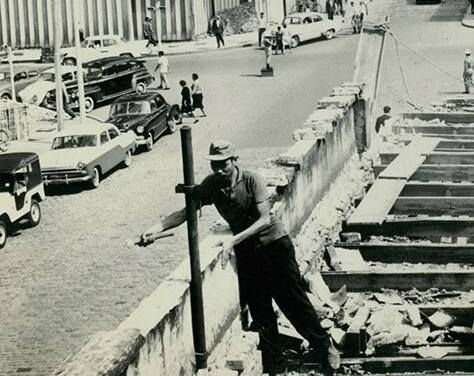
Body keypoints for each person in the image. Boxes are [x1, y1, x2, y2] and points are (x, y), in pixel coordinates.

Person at [137, 142, 339, 374]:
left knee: (293, 301)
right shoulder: (212, 185)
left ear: (234, 160)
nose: (219, 169)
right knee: (260, 309)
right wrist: (155, 228)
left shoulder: (253, 180)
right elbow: (186, 212)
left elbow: (264, 219)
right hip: (249, 253)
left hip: (274, 246)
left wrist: (233, 240)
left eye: (223, 164)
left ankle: (325, 347)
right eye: (214, 164)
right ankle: (276, 365)